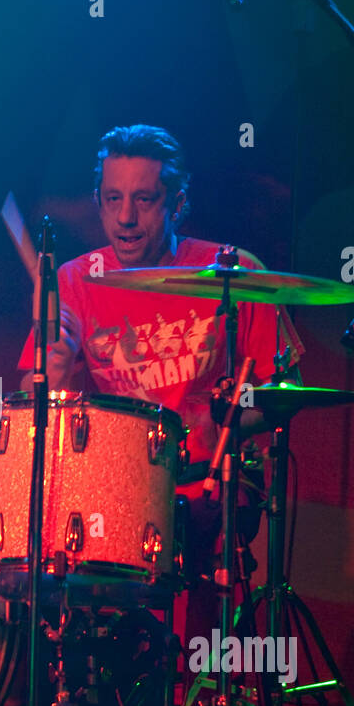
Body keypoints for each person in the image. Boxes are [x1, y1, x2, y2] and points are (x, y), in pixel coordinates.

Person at [17, 124, 281, 646]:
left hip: (205, 484)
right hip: (107, 491)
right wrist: (59, 370)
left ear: (178, 203)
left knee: (181, 528)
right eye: (112, 198)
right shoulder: (73, 279)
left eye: (144, 199)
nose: (125, 217)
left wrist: (219, 421)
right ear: (97, 200)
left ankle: (193, 704)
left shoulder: (233, 273)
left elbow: (280, 391)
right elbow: (33, 398)